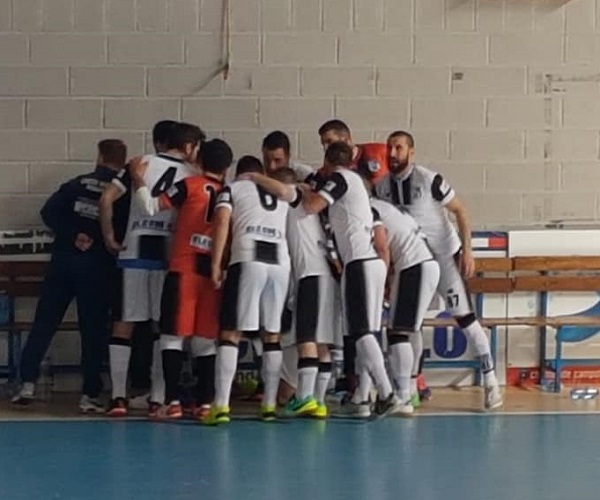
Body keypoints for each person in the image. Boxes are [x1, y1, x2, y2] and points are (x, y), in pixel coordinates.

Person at [375, 130, 503, 410]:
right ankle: (410, 388)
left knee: (465, 319)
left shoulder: (428, 179)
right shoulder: (381, 187)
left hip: (444, 258)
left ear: (411, 152)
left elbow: (460, 210)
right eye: (389, 147)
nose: (392, 153)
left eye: (399, 147)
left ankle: (491, 381)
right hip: (414, 264)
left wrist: (467, 251)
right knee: (409, 326)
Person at [11, 139, 129, 413]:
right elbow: (124, 227)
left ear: (100, 157)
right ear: (122, 162)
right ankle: (89, 394)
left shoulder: (76, 184)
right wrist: (100, 238)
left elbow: (48, 212)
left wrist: (74, 235)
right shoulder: (122, 193)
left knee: (44, 323)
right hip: (98, 267)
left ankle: (27, 384)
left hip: (64, 263)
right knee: (93, 331)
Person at [100, 122, 203, 417]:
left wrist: (109, 237)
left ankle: (118, 397)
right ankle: (158, 397)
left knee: (124, 323)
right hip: (168, 252)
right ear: (188, 147)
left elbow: (106, 198)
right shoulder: (192, 173)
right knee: (164, 326)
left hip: (133, 248)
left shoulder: (140, 163)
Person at [129, 139, 233, 420]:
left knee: (172, 337)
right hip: (213, 273)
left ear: (199, 161)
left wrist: (138, 178)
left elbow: (150, 207)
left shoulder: (189, 185)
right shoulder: (229, 193)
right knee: (205, 340)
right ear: (227, 167)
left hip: (184, 268)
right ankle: (206, 403)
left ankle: (172, 401)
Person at [298, 141, 400, 419]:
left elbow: (311, 206)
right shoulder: (357, 184)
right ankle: (364, 396)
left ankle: (387, 392)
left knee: (361, 331)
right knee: (366, 331)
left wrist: (304, 190)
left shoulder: (340, 178)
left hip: (359, 261)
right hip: (371, 262)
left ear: (327, 161)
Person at [242, 167, 341, 419]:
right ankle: (318, 401)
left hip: (310, 274)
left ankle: (305, 397)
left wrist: (255, 177)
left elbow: (284, 190)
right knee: (321, 341)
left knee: (306, 337)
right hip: (325, 275)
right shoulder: (310, 207)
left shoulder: (295, 199)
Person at [202, 156, 291, 425]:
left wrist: (216, 264)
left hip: (247, 257)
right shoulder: (279, 191)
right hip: (280, 262)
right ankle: (269, 405)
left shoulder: (232, 188)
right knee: (272, 335)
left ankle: (221, 405)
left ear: (238, 173)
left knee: (231, 332)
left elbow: (221, 222)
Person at [359, 166, 441, 414]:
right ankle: (406, 392)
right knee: (402, 330)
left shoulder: (370, 209)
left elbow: (382, 246)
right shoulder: (386, 207)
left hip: (414, 265)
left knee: (399, 332)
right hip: (421, 263)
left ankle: (404, 396)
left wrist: (381, 281)